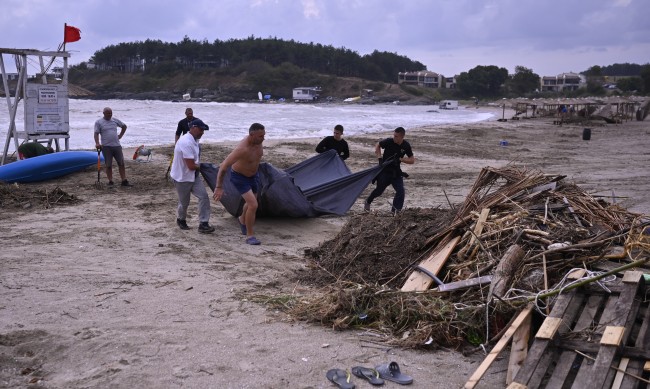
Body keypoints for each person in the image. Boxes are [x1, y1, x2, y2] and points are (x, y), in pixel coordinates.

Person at [213, 123, 265, 245]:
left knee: (250, 203)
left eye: (264, 135)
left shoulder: (258, 142)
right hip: (239, 177)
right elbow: (223, 167)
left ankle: (242, 219)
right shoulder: (242, 149)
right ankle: (250, 236)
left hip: (254, 176)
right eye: (260, 136)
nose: (263, 138)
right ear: (252, 135)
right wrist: (219, 187)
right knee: (253, 205)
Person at [170, 118, 215, 234]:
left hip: (194, 176)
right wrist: (204, 167)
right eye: (201, 130)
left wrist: (200, 167)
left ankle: (203, 224)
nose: (202, 132)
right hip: (182, 177)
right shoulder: (186, 142)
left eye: (203, 130)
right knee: (184, 202)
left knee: (204, 197)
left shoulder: (195, 140)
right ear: (193, 128)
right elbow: (190, 165)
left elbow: (194, 163)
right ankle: (181, 219)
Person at [364, 127, 415, 213]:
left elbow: (412, 160)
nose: (394, 137)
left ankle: (395, 211)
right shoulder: (389, 141)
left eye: (396, 136)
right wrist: (379, 158)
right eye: (394, 135)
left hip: (396, 172)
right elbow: (378, 145)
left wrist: (401, 159)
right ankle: (368, 201)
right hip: (385, 171)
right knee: (379, 191)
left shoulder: (406, 145)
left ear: (402, 137)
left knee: (400, 191)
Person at [94, 107, 132, 186]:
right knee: (108, 165)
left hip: (117, 145)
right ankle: (110, 181)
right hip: (106, 147)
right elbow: (96, 133)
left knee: (121, 163)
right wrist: (97, 143)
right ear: (103, 113)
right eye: (108, 113)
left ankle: (124, 180)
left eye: (111, 113)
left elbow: (124, 126)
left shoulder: (114, 120)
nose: (110, 115)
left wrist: (120, 135)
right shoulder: (99, 122)